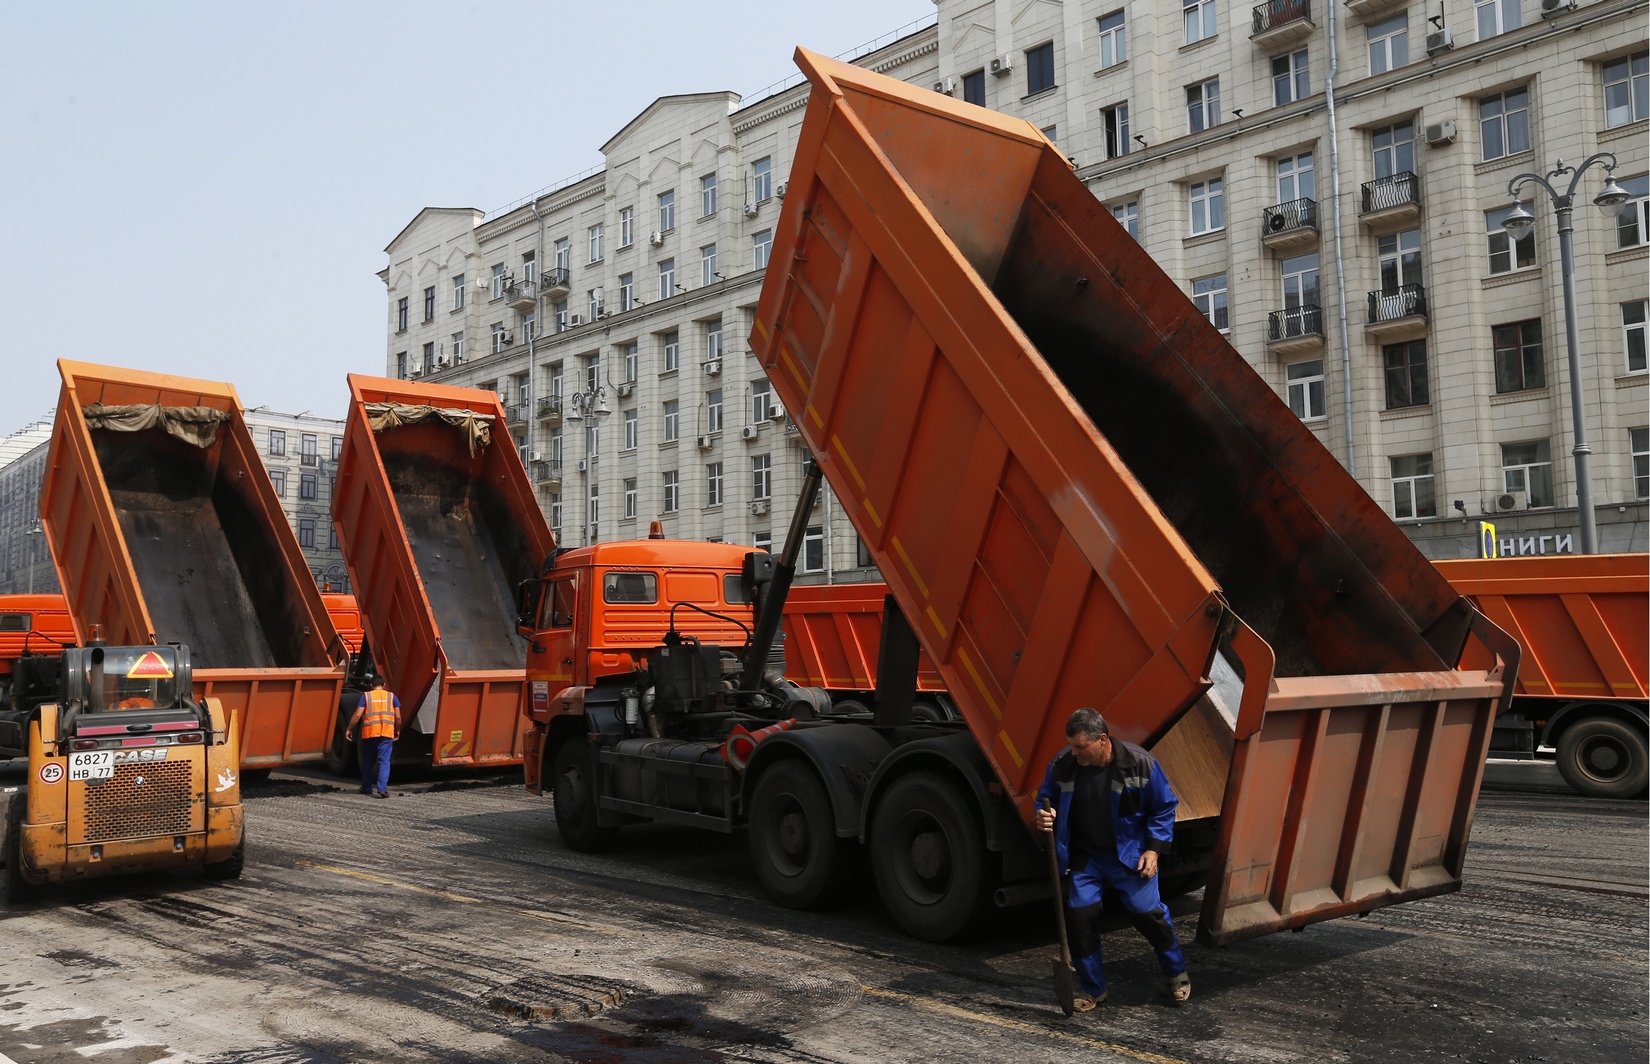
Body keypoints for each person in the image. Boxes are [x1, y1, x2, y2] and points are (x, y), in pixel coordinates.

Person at [1036, 707, 1190, 1011]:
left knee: (1149, 916)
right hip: (1085, 857)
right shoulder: (1063, 765)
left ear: (1102, 739)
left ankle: (1176, 974)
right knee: (1080, 917)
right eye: (1072, 745)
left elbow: (1164, 808)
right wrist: (1042, 816)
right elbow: (1045, 799)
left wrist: (1153, 850)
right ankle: (1093, 990)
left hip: (1130, 856)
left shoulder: (1140, 764)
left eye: (1081, 746)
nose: (1075, 752)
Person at [347, 676, 400, 799]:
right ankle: (382, 789)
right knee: (384, 761)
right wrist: (397, 729)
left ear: (371, 685)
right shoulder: (392, 697)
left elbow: (357, 715)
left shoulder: (366, 696)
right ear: (384, 684)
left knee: (368, 761)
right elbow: (398, 717)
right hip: (386, 733)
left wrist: (349, 729)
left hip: (370, 733)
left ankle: (366, 788)